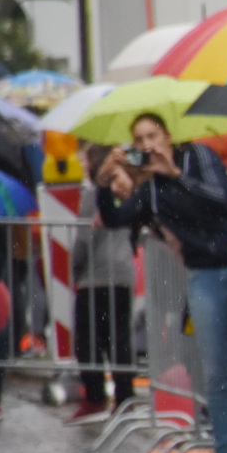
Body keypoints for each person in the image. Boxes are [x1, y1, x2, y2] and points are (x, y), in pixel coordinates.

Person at [95, 113, 227, 453]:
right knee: (217, 371)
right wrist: (102, 183)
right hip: (204, 275)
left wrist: (176, 172)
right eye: (140, 139)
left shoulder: (199, 157)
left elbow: (221, 199)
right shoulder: (150, 190)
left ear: (168, 136)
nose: (148, 145)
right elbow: (116, 218)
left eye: (152, 135)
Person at [68, 144, 138, 422]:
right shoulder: (127, 195)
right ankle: (125, 397)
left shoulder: (92, 196)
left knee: (89, 341)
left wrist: (76, 270)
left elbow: (83, 240)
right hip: (123, 274)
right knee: (120, 338)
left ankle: (95, 397)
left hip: (95, 277)